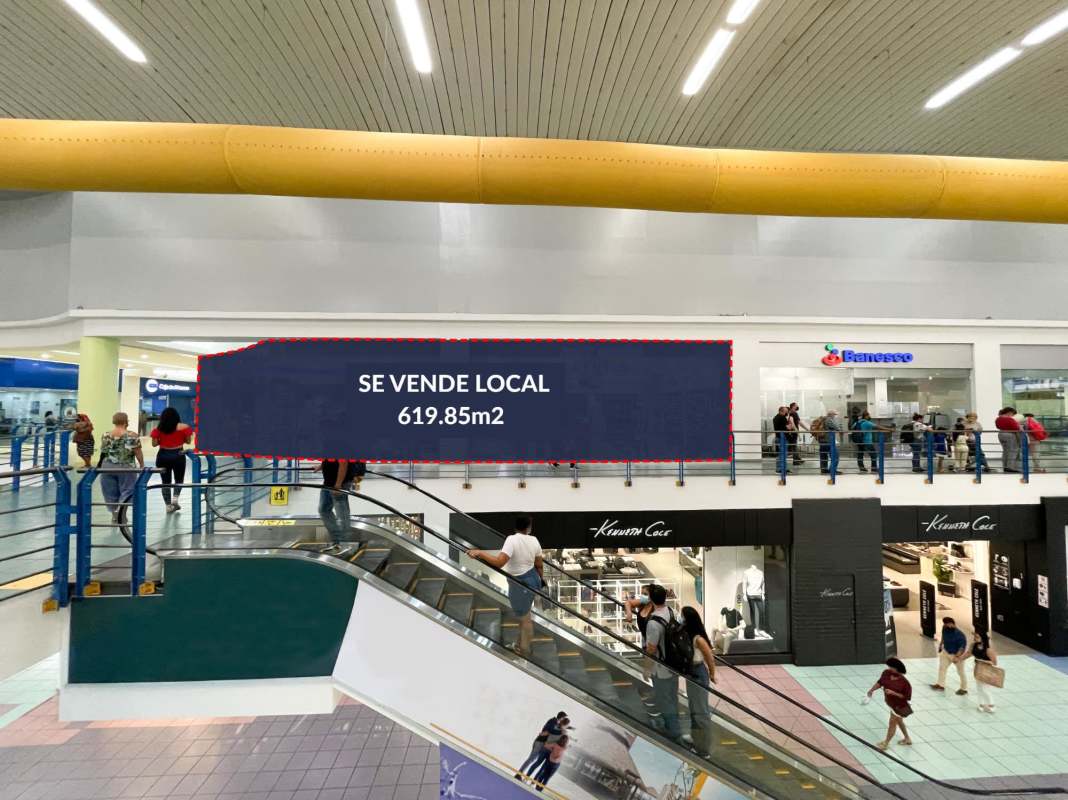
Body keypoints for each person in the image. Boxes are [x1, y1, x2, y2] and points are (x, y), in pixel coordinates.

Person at [468, 516, 544, 656]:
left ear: (516, 527)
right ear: (529, 527)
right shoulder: (534, 540)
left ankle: (525, 651)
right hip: (532, 579)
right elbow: (539, 564)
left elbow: (499, 562)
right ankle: (519, 644)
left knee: (525, 618)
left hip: (520, 583)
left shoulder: (512, 539)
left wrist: (480, 553)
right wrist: (540, 582)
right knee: (523, 615)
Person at [644, 584, 681, 742]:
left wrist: (646, 669)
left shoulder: (653, 623)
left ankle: (672, 733)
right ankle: (674, 728)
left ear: (651, 599)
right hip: (675, 664)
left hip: (661, 668)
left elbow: (651, 649)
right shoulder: (673, 612)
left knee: (664, 700)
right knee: (673, 697)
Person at [681, 606, 716, 756]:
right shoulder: (686, 633)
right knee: (693, 706)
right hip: (691, 672)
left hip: (699, 672)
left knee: (701, 711)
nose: (680, 618)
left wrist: (713, 674)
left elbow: (709, 657)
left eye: (682, 616)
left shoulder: (699, 639)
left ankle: (704, 749)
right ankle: (695, 737)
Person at [98, 412, 144, 524]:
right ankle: (120, 511)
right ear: (126, 422)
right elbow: (138, 452)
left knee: (109, 491)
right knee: (128, 490)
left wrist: (99, 466)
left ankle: (114, 513)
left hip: (107, 466)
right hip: (126, 466)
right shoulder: (132, 436)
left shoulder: (105, 435)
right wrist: (142, 465)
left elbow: (103, 452)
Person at [149, 407, 193, 513]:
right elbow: (188, 441)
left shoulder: (158, 429)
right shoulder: (185, 427)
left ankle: (168, 506)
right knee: (179, 479)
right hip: (178, 455)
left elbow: (154, 444)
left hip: (163, 456)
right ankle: (175, 499)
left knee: (165, 482)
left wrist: (162, 440)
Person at [316, 458, 366, 551]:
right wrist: (321, 466)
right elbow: (330, 459)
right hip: (328, 482)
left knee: (342, 514)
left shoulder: (337, 445)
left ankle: (344, 544)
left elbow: (343, 463)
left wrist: (338, 484)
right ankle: (337, 542)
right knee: (323, 509)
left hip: (340, 483)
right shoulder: (328, 445)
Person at [866, 657, 913, 750]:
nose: (889, 668)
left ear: (897, 668)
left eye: (892, 667)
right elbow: (880, 683)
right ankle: (907, 738)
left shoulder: (904, 682)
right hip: (891, 703)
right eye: (889, 666)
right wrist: (872, 690)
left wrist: (893, 693)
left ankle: (886, 743)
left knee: (892, 723)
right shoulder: (886, 673)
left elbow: (906, 697)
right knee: (899, 721)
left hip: (900, 705)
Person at [516, 712, 569, 780]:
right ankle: (519, 774)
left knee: (533, 760)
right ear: (561, 718)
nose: (564, 720)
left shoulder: (556, 724)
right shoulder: (553, 721)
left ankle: (520, 773)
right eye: (564, 718)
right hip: (540, 742)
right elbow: (550, 730)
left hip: (543, 744)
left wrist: (564, 729)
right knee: (531, 759)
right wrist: (561, 732)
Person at [931, 616, 969, 695]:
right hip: (946, 652)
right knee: (942, 668)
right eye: (945, 624)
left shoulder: (960, 635)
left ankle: (964, 688)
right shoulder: (944, 628)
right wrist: (941, 645)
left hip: (956, 655)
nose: (947, 626)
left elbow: (962, 648)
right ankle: (940, 685)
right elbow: (943, 637)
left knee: (961, 672)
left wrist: (957, 657)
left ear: (952, 623)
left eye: (948, 624)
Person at [967, 630, 1000, 713]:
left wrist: (984, 661)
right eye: (975, 636)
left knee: (985, 688)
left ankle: (991, 704)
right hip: (977, 667)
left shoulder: (988, 649)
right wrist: (960, 659)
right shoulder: (974, 645)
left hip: (986, 669)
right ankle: (981, 704)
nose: (975, 638)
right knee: (979, 687)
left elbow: (994, 662)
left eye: (977, 637)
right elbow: (968, 653)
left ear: (983, 638)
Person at [995, 407, 1022, 473]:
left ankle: (1005, 466)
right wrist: (1019, 427)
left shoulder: (998, 419)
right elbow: (1016, 428)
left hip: (1001, 434)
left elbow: (997, 427)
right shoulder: (1009, 419)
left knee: (1005, 451)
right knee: (1013, 450)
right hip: (1010, 435)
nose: (1013, 416)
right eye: (1013, 414)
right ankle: (1010, 467)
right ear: (1010, 412)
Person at [819, 409, 842, 475]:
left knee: (823, 456)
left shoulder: (823, 419)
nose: (835, 416)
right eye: (835, 415)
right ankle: (833, 470)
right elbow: (837, 428)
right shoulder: (829, 420)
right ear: (831, 414)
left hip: (822, 440)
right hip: (828, 440)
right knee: (835, 456)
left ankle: (824, 470)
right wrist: (836, 423)